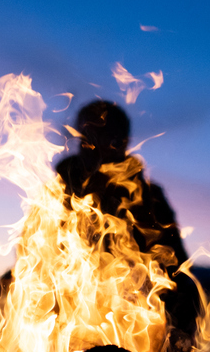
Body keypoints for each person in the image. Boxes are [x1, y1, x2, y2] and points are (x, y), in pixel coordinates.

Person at [56, 100, 188, 271]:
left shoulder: (148, 197)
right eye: (86, 134)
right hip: (69, 293)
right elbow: (35, 254)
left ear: (121, 141)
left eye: (102, 133)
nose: (90, 143)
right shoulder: (57, 195)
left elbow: (175, 263)